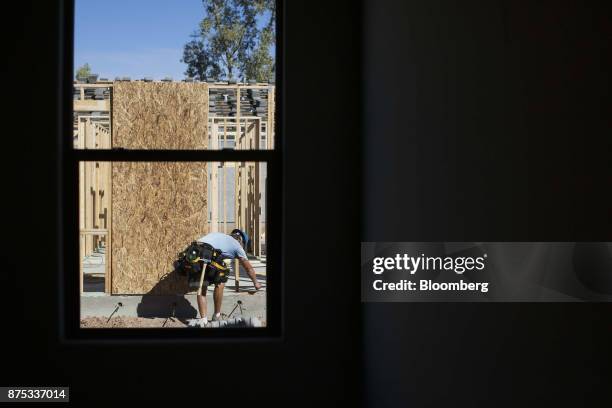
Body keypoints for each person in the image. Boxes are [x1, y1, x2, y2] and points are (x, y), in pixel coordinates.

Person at [188, 229, 262, 327]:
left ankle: (203, 320)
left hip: (194, 253)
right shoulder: (237, 246)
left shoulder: (218, 235)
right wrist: (256, 283)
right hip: (208, 253)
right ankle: (217, 316)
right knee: (220, 282)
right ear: (241, 241)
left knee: (202, 286)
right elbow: (248, 268)